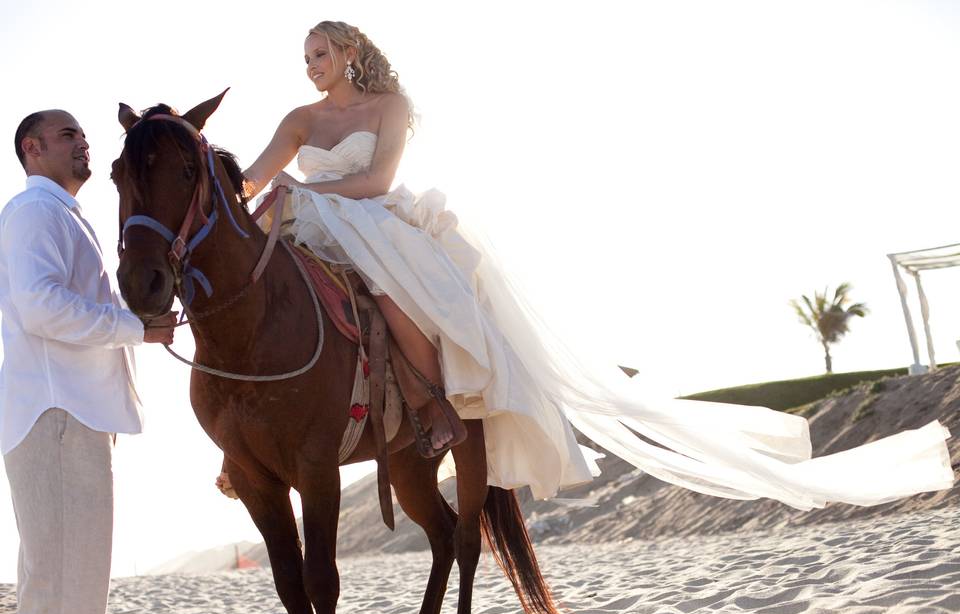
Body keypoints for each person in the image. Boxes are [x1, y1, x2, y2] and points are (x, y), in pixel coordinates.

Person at [232, 20, 954, 507]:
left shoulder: (388, 106)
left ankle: (429, 405)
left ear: (350, 55)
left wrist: (310, 188)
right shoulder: (300, 121)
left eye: (320, 54)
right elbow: (255, 179)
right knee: (260, 305)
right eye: (305, 60)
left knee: (394, 296)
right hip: (307, 225)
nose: (311, 67)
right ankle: (243, 437)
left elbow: (380, 184)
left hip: (369, 220)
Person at [0, 110, 177, 614]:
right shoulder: (35, 210)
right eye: (67, 135)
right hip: (58, 416)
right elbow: (40, 307)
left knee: (63, 585)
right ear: (32, 149)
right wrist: (134, 328)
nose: (83, 143)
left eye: (82, 134)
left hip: (68, 416)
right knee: (65, 589)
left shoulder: (60, 213)